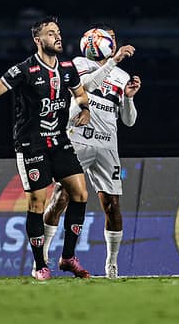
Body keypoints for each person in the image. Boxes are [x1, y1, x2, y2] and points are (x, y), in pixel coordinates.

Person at [0, 17, 92, 280]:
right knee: (37, 203)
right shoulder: (24, 70)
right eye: (51, 33)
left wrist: (84, 108)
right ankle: (40, 265)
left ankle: (68, 258)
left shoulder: (68, 67)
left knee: (80, 193)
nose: (57, 37)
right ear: (38, 40)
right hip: (31, 144)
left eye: (59, 32)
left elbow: (81, 94)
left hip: (59, 141)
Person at [42, 24, 140, 279]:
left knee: (112, 205)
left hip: (108, 145)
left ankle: (111, 265)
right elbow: (83, 86)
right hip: (78, 140)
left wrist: (128, 98)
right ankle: (41, 259)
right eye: (109, 38)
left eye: (114, 38)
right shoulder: (78, 64)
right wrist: (112, 63)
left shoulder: (121, 76)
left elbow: (128, 121)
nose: (112, 42)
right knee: (62, 196)